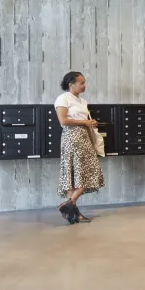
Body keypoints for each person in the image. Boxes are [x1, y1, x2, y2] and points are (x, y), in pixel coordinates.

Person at [54, 71, 105, 224]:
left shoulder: (82, 101)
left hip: (84, 137)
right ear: (71, 84)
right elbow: (63, 121)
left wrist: (90, 123)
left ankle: (71, 211)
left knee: (80, 174)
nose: (84, 85)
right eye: (81, 83)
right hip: (72, 139)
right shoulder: (63, 98)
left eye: (84, 82)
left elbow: (83, 120)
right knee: (81, 173)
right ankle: (69, 205)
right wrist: (84, 123)